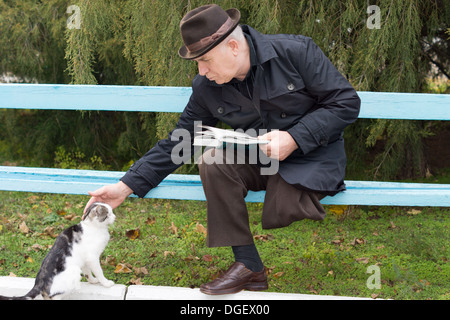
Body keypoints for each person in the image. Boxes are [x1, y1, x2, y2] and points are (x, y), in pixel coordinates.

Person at [84, 4, 361, 295]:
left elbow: (345, 102)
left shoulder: (295, 52)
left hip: (312, 158)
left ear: (232, 46)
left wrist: (294, 138)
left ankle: (267, 237)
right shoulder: (207, 86)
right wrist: (124, 187)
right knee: (213, 159)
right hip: (261, 160)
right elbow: (181, 141)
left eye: (205, 60)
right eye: (197, 63)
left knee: (279, 180)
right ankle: (248, 266)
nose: (202, 70)